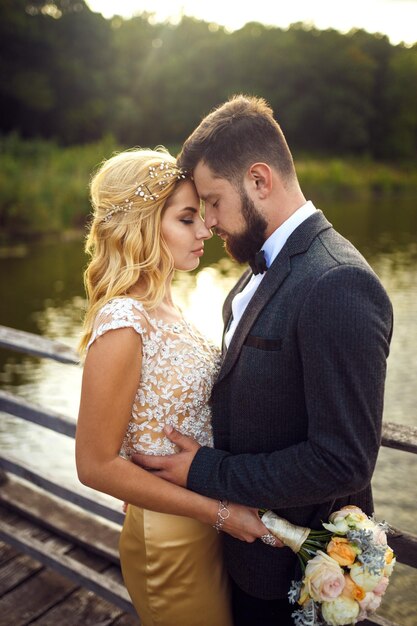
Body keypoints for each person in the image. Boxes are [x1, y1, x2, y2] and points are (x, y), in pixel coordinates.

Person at [130, 97, 394, 626]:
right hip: (241, 561)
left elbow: (344, 459)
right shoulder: (254, 272)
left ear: (258, 180)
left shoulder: (338, 282)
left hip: (294, 579)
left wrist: (206, 471)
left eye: (212, 201)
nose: (207, 221)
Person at [75, 147, 277, 626]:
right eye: (188, 219)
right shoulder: (124, 321)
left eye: (202, 216)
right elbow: (94, 464)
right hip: (170, 538)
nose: (206, 229)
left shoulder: (166, 308)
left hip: (202, 522)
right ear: (145, 226)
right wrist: (222, 513)